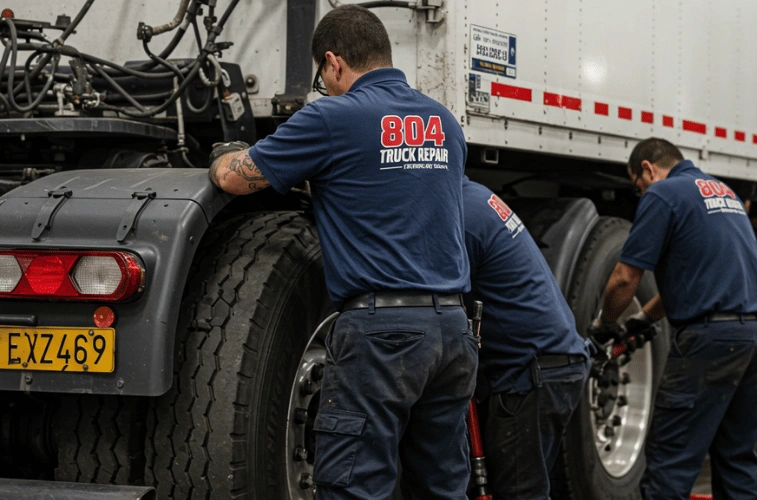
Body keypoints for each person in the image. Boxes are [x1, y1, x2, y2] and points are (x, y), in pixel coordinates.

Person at [207, 5, 478, 499]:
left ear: (334, 62)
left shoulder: (332, 116)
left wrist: (220, 154)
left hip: (383, 337)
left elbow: (235, 177)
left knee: (355, 487)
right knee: (440, 488)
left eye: (322, 77)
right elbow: (401, 191)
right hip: (452, 334)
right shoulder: (444, 122)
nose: (323, 87)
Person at [588, 137, 757, 500]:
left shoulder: (663, 194)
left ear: (647, 168)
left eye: (638, 187)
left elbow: (625, 278)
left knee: (670, 462)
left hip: (711, 342)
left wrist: (605, 326)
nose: (641, 195)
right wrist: (643, 318)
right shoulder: (723, 192)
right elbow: (701, 278)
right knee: (737, 459)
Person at [462, 176, 590, 499]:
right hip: (553, 365)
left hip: (531, 374)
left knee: (520, 492)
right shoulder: (477, 197)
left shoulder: (460, 215)